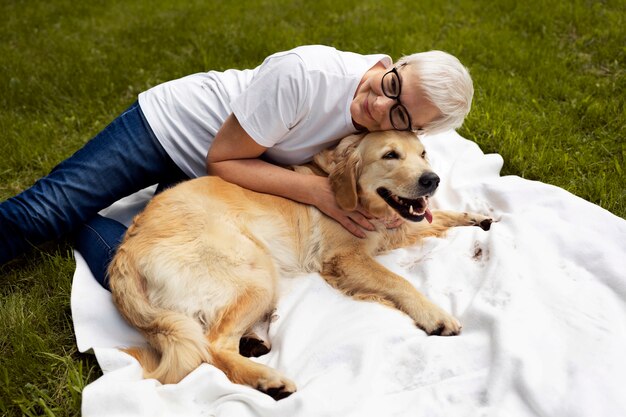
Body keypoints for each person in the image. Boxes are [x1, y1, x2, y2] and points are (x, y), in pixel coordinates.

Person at [0, 45, 473, 289]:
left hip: (215, 178)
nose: (378, 102)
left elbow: (377, 177)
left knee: (156, 267)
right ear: (396, 63)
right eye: (391, 84)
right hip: (169, 131)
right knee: (44, 212)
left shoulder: (383, 135)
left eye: (402, 115)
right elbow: (222, 158)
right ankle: (77, 210)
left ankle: (89, 219)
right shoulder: (307, 74)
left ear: (420, 132)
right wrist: (318, 193)